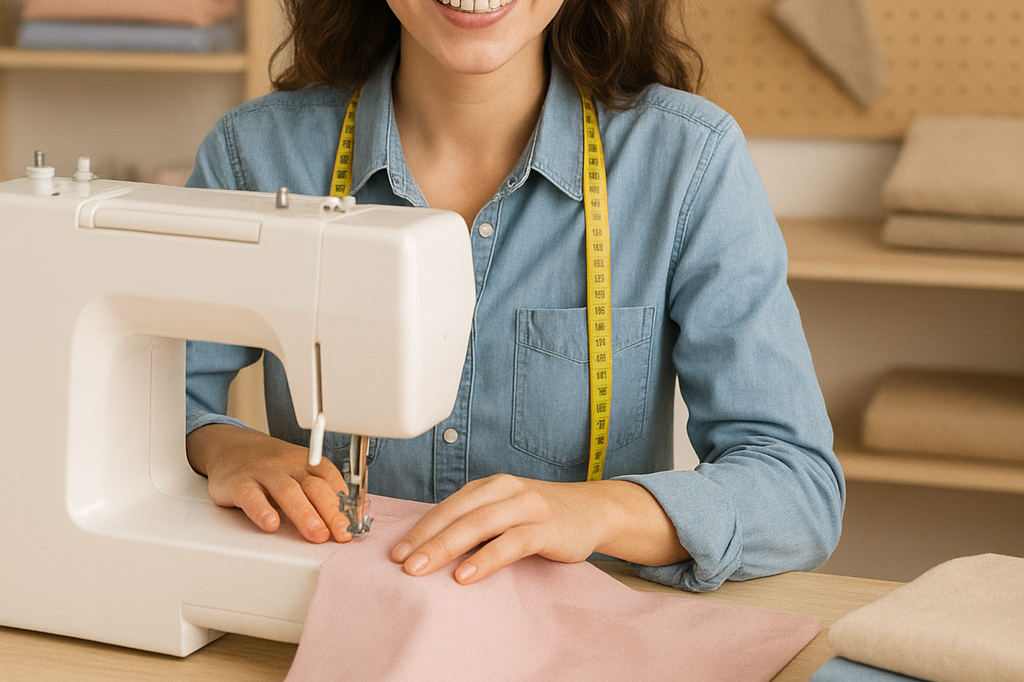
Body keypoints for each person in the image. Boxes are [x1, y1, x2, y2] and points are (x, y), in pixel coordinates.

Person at [184, 0, 844, 592]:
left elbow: (797, 487)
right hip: (336, 624)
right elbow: (155, 398)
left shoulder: (687, 163)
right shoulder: (255, 158)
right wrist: (222, 447)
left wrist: (599, 511)